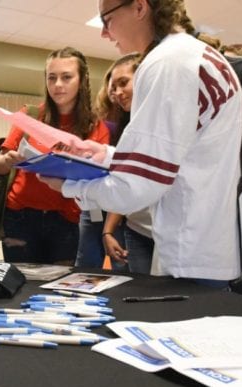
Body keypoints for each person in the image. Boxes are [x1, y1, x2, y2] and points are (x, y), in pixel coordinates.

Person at [40, 0, 242, 288]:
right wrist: (105, 155)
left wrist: (67, 186)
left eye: (107, 20)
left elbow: (134, 189)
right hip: (217, 243)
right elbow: (179, 156)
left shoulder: (166, 63)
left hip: (193, 251)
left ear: (139, 8)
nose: (104, 33)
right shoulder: (201, 55)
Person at [0, 47, 110, 265]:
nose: (58, 85)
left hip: (65, 218)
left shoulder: (95, 127)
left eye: (66, 77)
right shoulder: (30, 116)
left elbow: (99, 178)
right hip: (20, 216)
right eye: (52, 78)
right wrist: (8, 160)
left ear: (82, 80)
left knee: (58, 288)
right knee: (22, 283)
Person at [98, 53, 155, 274]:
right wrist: (108, 231)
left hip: (168, 232)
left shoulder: (163, 119)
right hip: (136, 227)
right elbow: (123, 182)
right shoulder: (125, 128)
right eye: (114, 88)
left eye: (124, 83)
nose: (118, 93)